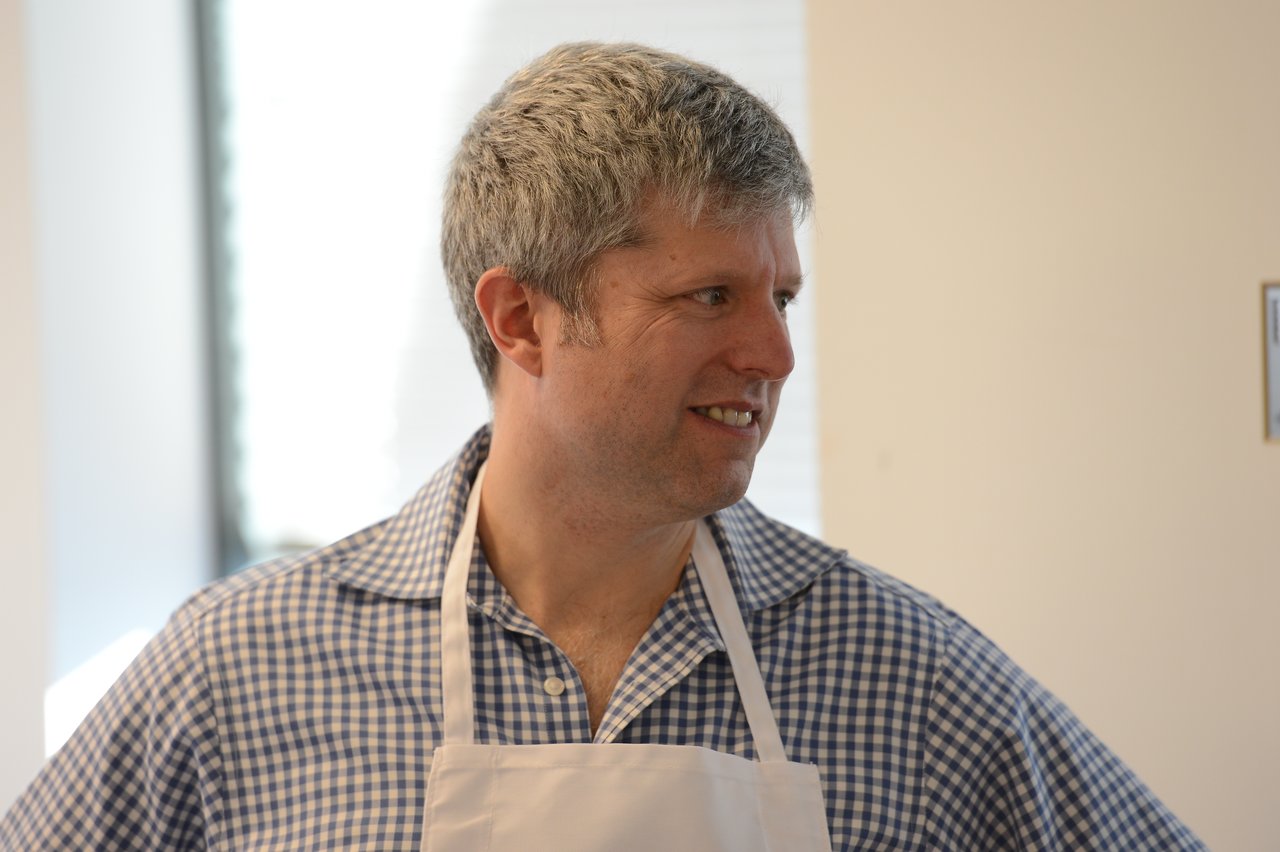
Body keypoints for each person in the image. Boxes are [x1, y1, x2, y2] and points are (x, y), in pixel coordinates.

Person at [1, 42, 1204, 851]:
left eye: (779, 299)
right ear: (519, 317)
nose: (774, 356)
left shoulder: (908, 675)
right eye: (707, 300)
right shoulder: (235, 672)